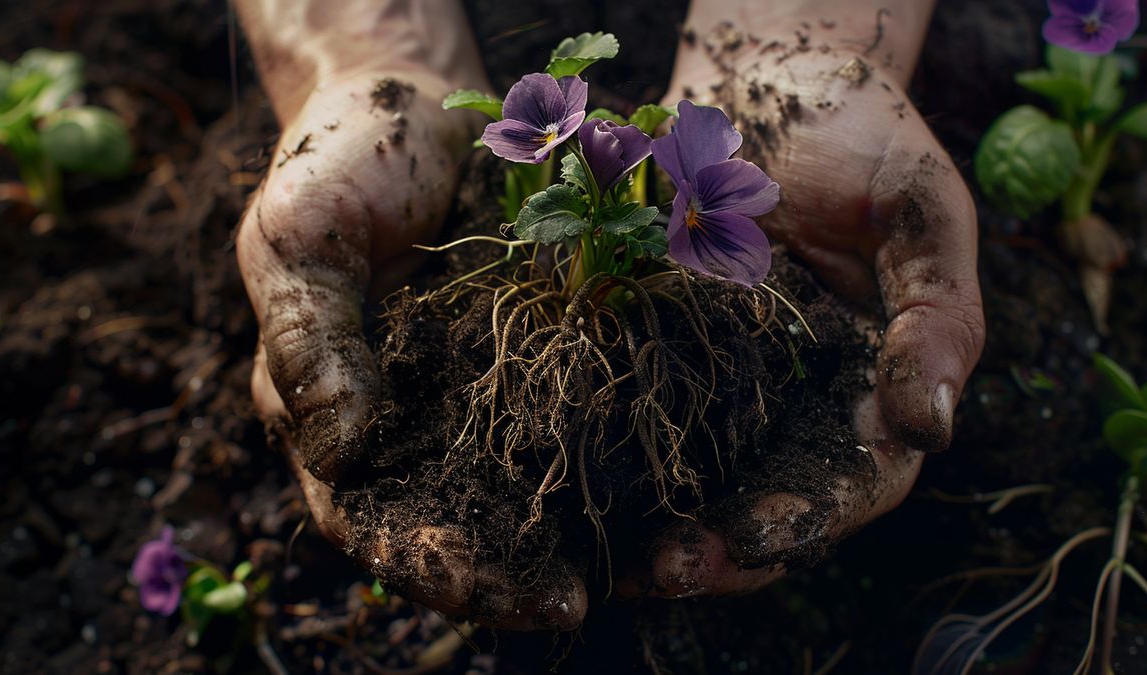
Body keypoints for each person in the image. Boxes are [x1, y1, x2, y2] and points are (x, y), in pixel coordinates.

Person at [235, 0, 985, 630]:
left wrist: (807, 34)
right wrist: (365, 55)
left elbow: (691, 217)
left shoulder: (678, 216)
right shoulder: (603, 193)